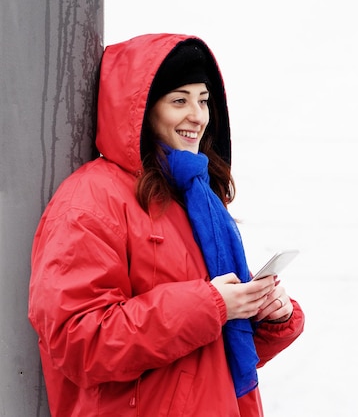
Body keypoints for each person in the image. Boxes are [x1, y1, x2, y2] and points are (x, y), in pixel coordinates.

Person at [28, 33, 305, 417]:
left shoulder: (195, 196)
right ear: (141, 109)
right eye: (179, 100)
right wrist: (210, 305)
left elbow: (213, 354)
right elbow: (79, 342)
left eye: (204, 100)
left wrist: (262, 314)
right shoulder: (91, 198)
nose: (198, 116)